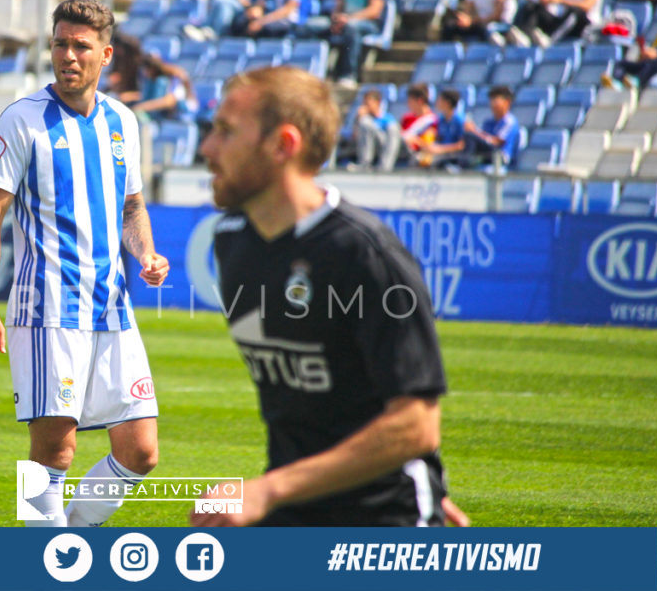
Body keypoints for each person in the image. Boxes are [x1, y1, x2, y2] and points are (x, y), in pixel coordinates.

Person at [191, 66, 458, 527]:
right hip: (295, 507)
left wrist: (269, 489)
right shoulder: (232, 240)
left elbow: (416, 424)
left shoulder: (366, 254)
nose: (206, 149)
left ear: (283, 145)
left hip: (384, 519)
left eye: (225, 132)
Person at [0, 0, 170, 528]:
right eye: (60, 43)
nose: (69, 55)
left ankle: (74, 539)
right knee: (54, 454)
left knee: (141, 450)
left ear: (105, 54)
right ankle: (48, 560)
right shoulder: (23, 119)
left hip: (113, 309)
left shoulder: (123, 122)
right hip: (48, 311)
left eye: (81, 46)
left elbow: (131, 207)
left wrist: (144, 252)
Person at [320, 0, 386, 87]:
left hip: (368, 24)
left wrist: (349, 19)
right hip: (345, 21)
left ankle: (349, 75)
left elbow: (375, 10)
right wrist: (336, 19)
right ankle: (319, 73)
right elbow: (339, 5)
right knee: (313, 26)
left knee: (352, 28)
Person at [464, 85, 520, 170]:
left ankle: (464, 166)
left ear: (507, 102)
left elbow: (497, 142)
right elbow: (483, 140)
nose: (492, 104)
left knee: (471, 136)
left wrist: (474, 131)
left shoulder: (509, 122)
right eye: (491, 100)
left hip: (502, 158)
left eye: (496, 100)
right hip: (487, 156)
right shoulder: (488, 122)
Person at [353, 88, 401, 170]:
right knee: (365, 122)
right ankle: (365, 163)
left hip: (384, 145)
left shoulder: (387, 118)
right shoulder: (364, 119)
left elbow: (392, 138)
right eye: (364, 104)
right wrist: (358, 119)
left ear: (377, 102)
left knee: (393, 129)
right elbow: (355, 136)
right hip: (368, 145)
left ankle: (385, 167)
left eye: (368, 104)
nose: (365, 107)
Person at [400, 83, 438, 156]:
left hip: (415, 154)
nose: (408, 104)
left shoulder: (432, 121)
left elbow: (428, 146)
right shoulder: (407, 118)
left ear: (420, 101)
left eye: (410, 101)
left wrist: (414, 140)